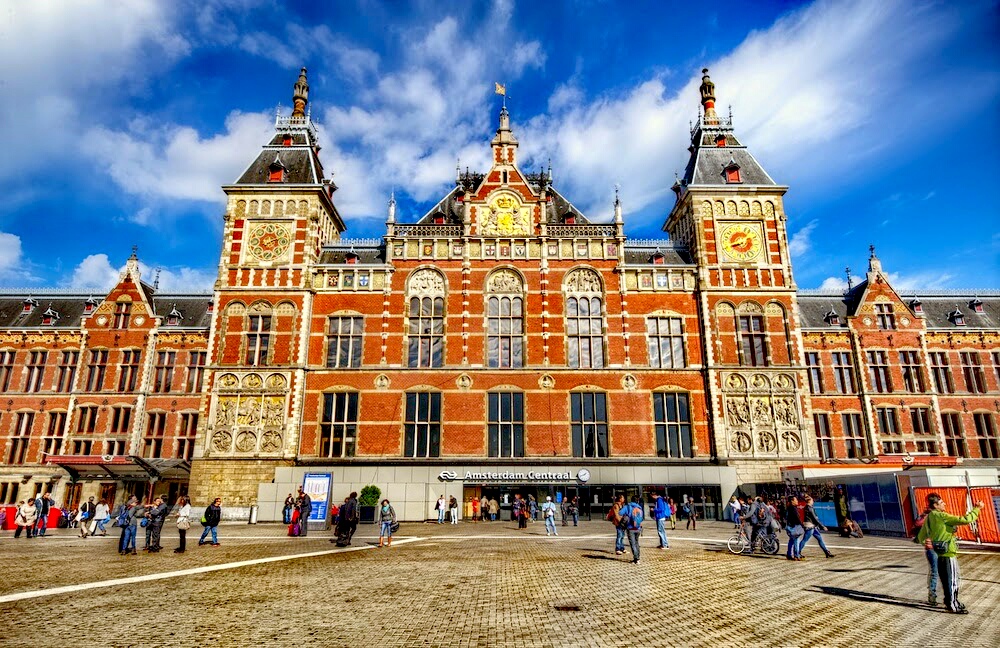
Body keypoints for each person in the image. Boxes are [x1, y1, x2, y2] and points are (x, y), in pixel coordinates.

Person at [916, 493, 984, 614]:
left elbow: (921, 535)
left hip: (939, 552)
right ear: (935, 505)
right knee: (952, 580)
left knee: (948, 579)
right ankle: (952, 605)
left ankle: (953, 601)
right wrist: (977, 508)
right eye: (942, 503)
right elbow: (965, 520)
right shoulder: (942, 515)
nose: (945, 504)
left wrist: (926, 542)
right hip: (948, 553)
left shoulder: (931, 516)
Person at [912, 503, 938, 605]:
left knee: (937, 572)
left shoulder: (937, 515)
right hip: (933, 548)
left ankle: (936, 595)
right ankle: (932, 595)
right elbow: (918, 525)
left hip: (937, 548)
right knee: (935, 572)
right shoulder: (928, 517)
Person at [619, 495, 644, 564]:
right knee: (636, 542)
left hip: (630, 527)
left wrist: (626, 515)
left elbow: (620, 513)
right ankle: (638, 557)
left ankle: (636, 558)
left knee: (632, 544)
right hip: (638, 528)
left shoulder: (628, 507)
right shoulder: (639, 508)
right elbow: (641, 518)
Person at [784, 496, 804, 561]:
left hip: (790, 526)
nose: (797, 501)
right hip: (794, 526)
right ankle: (796, 555)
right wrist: (801, 524)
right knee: (796, 540)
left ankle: (789, 554)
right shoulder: (793, 508)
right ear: (792, 501)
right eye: (796, 500)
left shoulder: (789, 508)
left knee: (791, 540)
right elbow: (797, 518)